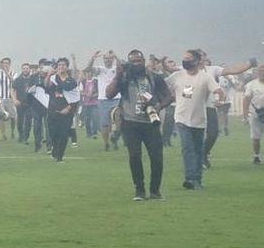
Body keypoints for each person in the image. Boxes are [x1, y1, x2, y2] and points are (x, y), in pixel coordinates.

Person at [109, 50, 172, 200]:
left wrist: (159, 106)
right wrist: (118, 75)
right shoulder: (124, 78)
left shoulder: (154, 77)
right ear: (129, 63)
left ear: (144, 61)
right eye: (133, 61)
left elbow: (169, 96)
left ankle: (155, 190)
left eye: (139, 61)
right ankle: (140, 190)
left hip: (151, 122)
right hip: (130, 123)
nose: (136, 64)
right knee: (135, 156)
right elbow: (109, 94)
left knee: (157, 157)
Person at [166, 50, 225, 190]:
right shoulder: (178, 75)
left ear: (198, 61)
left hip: (199, 119)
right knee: (187, 148)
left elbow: (218, 91)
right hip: (181, 118)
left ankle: (197, 178)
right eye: (184, 58)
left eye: (189, 58)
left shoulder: (205, 78)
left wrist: (218, 99)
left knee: (198, 150)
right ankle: (190, 178)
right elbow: (163, 86)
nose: (185, 61)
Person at [43, 58, 78, 162]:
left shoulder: (71, 81)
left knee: (63, 134)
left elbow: (75, 97)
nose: (61, 67)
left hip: (66, 112)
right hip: (53, 110)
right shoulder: (53, 79)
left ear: (67, 67)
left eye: (63, 65)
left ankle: (60, 157)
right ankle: (55, 148)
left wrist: (68, 108)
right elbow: (46, 86)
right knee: (53, 134)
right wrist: (49, 75)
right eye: (59, 65)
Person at [88, 50, 121, 151]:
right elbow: (89, 68)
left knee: (119, 119)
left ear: (112, 59)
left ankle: (115, 137)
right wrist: (93, 58)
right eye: (106, 58)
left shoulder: (116, 68)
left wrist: (116, 57)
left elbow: (121, 68)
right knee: (105, 124)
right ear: (103, 60)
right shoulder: (100, 70)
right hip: (103, 100)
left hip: (116, 98)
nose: (108, 60)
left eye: (110, 58)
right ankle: (106, 143)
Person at [242, 63, 264, 165]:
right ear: (257, 72)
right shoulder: (251, 84)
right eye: (260, 71)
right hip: (256, 114)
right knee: (256, 137)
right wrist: (245, 115)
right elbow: (246, 99)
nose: (262, 73)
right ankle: (256, 155)